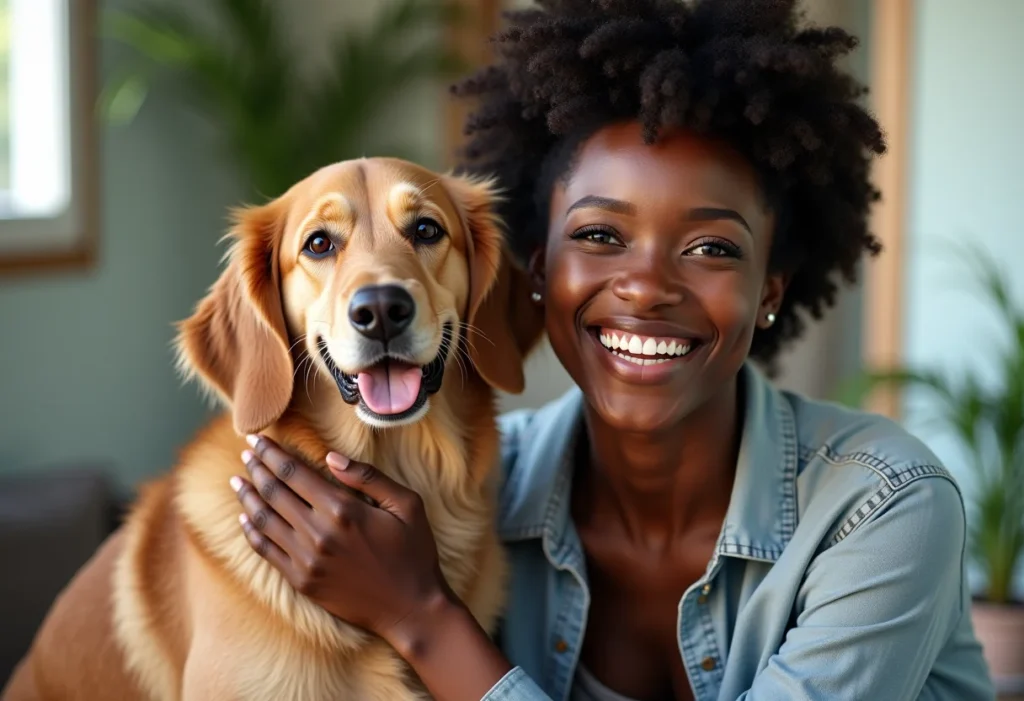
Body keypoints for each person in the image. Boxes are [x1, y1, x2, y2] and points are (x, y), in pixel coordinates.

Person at [228, 0, 995, 699]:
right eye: (600, 234)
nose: (647, 287)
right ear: (537, 271)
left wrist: (421, 615)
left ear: (770, 289)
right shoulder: (476, 496)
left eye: (710, 247)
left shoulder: (883, 508)